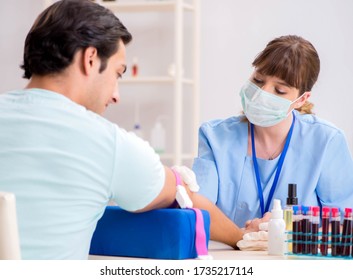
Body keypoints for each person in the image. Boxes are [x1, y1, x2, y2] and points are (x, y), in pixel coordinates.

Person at [0, 0, 250, 259]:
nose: (116, 95)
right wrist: (242, 238)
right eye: (118, 74)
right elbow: (181, 191)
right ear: (90, 59)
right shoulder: (108, 143)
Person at [192, 35, 353, 229]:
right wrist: (243, 236)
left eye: (280, 90)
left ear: (301, 99)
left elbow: (343, 224)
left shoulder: (326, 141)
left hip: (296, 257)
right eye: (258, 80)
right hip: (229, 256)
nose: (263, 93)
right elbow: (199, 212)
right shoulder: (215, 136)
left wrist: (292, 228)